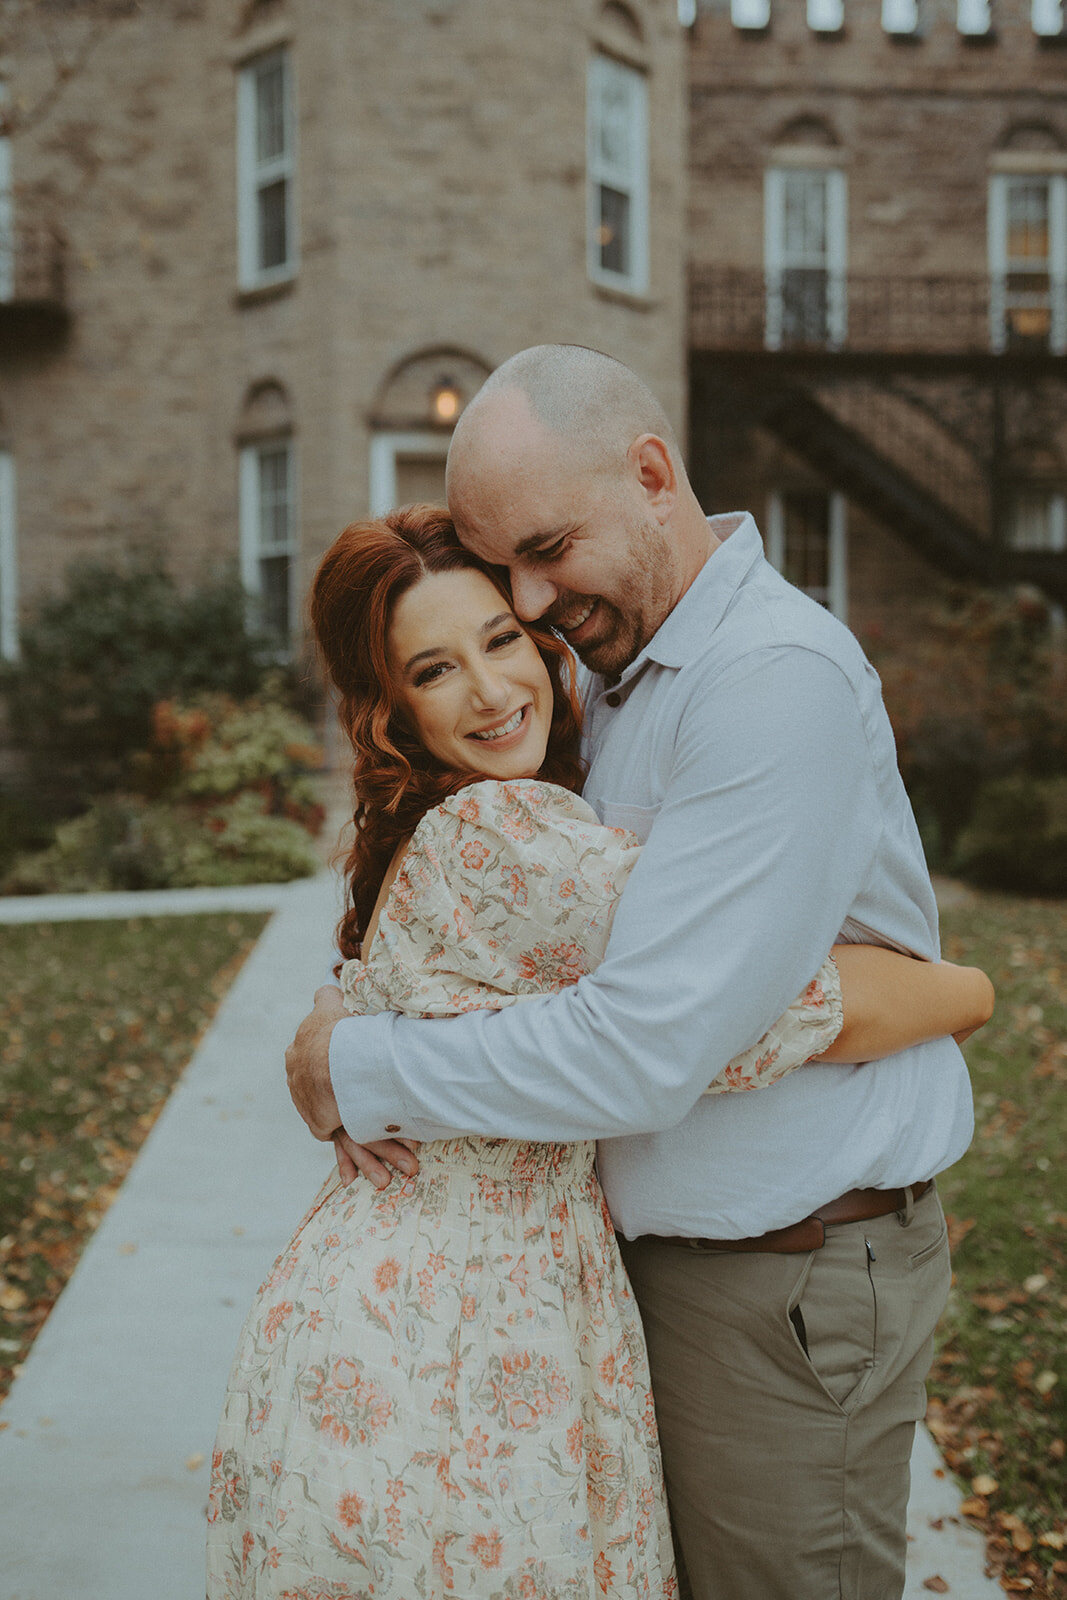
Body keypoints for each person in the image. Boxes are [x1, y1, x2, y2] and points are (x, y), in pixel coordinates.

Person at [285, 346, 993, 1600]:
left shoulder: (767, 681)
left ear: (652, 474)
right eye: (504, 574)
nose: (533, 601)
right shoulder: (608, 678)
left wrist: (363, 1060)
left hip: (783, 1279)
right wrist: (355, 1008)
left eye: (544, 552)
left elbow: (641, 1044)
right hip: (641, 1279)